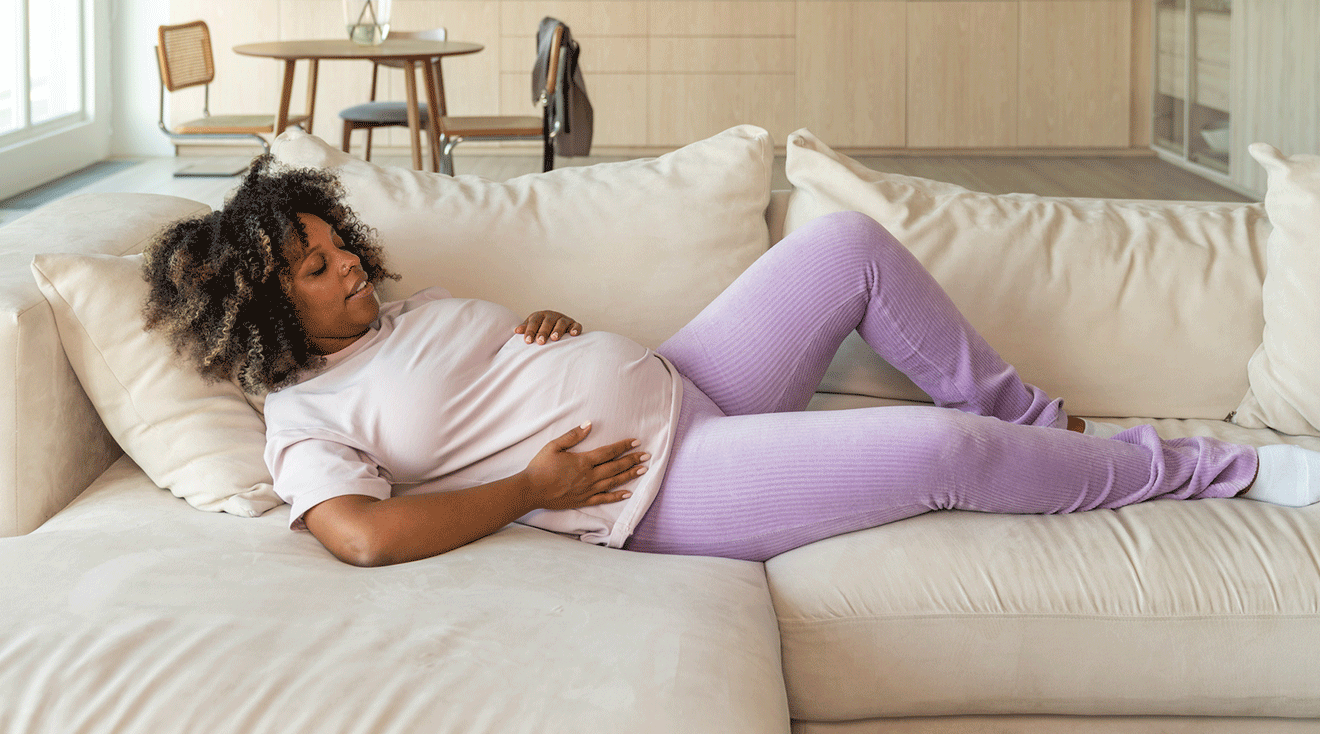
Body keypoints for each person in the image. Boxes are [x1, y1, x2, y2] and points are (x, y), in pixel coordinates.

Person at [142, 156, 1320, 567]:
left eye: (333, 238)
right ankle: (1209, 470)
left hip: (685, 378)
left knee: (847, 243)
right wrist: (532, 491)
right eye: (311, 265)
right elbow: (360, 534)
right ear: (264, 312)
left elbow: (478, 377)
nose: (346, 259)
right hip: (661, 483)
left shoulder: (399, 310)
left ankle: (1040, 417)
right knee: (940, 451)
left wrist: (542, 325)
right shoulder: (308, 411)